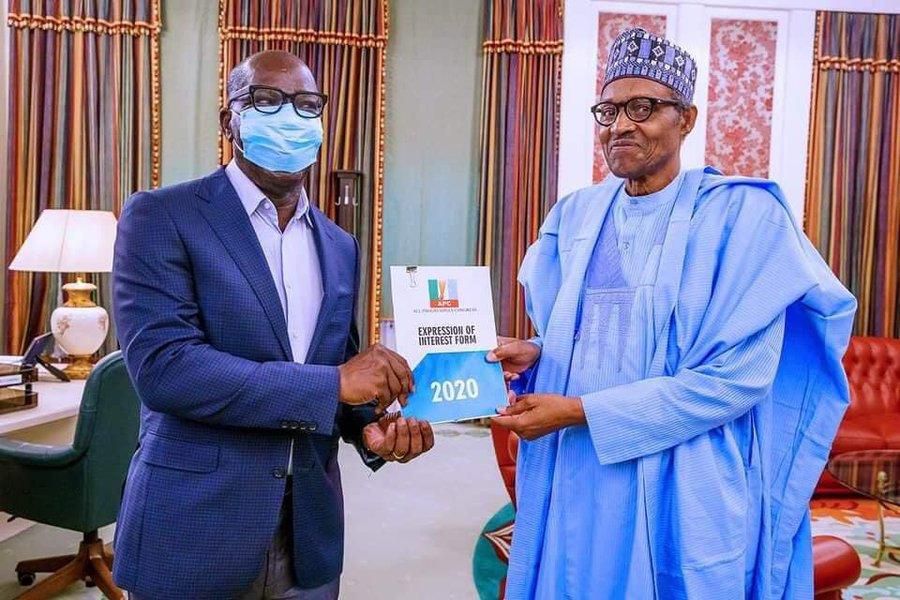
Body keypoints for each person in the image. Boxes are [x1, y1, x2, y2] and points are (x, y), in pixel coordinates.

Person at [489, 28, 856, 599]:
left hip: (686, 472)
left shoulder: (744, 218)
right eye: (608, 110)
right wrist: (539, 351)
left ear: (686, 118)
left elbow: (736, 382)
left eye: (643, 107)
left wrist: (581, 410)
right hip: (582, 468)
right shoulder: (577, 216)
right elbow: (594, 337)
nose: (620, 125)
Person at [112, 50, 434, 599]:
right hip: (196, 526)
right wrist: (336, 384)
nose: (290, 117)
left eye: (307, 105)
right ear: (228, 121)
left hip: (307, 534)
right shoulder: (162, 216)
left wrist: (371, 432)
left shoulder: (339, 245)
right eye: (266, 100)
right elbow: (166, 370)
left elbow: (339, 368)